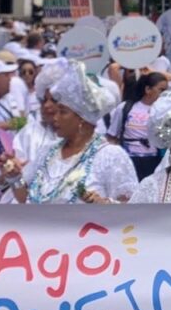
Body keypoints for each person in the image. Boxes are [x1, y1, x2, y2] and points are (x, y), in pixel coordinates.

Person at [13, 59, 136, 204]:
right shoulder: (48, 152)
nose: (55, 117)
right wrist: (13, 177)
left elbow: (132, 209)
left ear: (81, 119)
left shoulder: (111, 156)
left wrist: (104, 204)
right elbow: (25, 199)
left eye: (62, 112)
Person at [108, 72, 168, 180]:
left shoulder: (164, 111)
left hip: (153, 161)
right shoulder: (125, 108)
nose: (165, 94)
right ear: (148, 89)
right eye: (161, 90)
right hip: (128, 160)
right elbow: (112, 136)